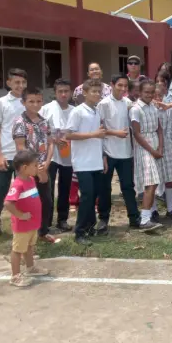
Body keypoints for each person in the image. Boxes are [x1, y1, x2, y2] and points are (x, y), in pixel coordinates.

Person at [0, 68, 27, 248]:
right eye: (17, 82)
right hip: (5, 157)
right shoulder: (1, 103)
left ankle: (25, 226)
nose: (20, 86)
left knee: (24, 195)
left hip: (23, 157)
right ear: (8, 83)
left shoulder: (29, 102)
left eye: (23, 82)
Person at [12, 87, 56, 244]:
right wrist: (35, 168)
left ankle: (43, 231)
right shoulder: (20, 122)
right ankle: (27, 233)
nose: (35, 104)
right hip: (28, 171)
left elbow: (51, 143)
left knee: (46, 201)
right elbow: (21, 148)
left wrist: (47, 163)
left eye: (38, 101)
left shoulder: (44, 121)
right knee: (28, 202)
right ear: (23, 102)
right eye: (31, 101)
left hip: (44, 168)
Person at [96, 74, 140, 232]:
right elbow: (99, 130)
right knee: (105, 188)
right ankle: (103, 219)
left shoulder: (128, 103)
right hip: (109, 152)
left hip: (126, 153)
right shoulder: (104, 104)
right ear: (112, 85)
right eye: (119, 85)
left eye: (125, 86)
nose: (122, 89)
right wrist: (115, 133)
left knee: (128, 187)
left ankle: (134, 218)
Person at [66, 80, 104, 244]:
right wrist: (93, 135)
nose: (96, 94)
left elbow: (100, 137)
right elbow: (69, 135)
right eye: (93, 91)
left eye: (98, 91)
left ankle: (90, 226)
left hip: (96, 160)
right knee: (87, 196)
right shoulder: (78, 112)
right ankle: (79, 232)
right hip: (82, 162)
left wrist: (103, 157)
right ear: (85, 93)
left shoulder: (96, 111)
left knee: (93, 196)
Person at [4, 150, 50, 287]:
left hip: (32, 224)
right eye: (35, 165)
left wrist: (41, 171)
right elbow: (8, 203)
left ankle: (30, 268)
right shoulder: (18, 184)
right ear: (25, 168)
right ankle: (15, 276)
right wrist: (21, 215)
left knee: (29, 246)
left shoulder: (30, 179)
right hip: (23, 225)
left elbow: (44, 179)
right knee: (18, 250)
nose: (37, 167)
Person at [128, 80, 166, 234]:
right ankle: (144, 219)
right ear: (140, 92)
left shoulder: (153, 107)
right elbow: (136, 134)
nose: (149, 95)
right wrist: (152, 150)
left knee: (154, 183)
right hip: (144, 149)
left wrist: (160, 148)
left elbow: (159, 129)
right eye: (146, 92)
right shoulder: (136, 109)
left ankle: (148, 215)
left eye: (152, 92)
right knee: (150, 183)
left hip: (155, 147)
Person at [41, 78, 74, 233]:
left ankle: (62, 219)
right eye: (60, 91)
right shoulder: (46, 109)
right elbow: (40, 129)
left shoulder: (75, 111)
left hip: (68, 155)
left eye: (66, 91)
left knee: (65, 188)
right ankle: (46, 221)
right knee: (48, 188)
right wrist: (53, 139)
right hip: (51, 155)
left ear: (71, 92)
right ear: (55, 93)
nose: (63, 94)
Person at [154, 76, 172, 219]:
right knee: (153, 180)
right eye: (155, 95)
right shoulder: (147, 108)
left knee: (170, 179)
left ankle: (170, 209)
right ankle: (153, 210)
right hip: (152, 148)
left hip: (168, 146)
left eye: (160, 95)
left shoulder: (168, 107)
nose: (158, 98)